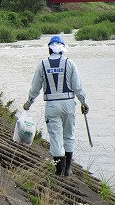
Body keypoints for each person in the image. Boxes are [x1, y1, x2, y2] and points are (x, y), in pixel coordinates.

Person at [23, 35, 89, 177]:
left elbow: (35, 87)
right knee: (69, 136)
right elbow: (78, 87)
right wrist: (83, 102)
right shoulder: (70, 63)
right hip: (68, 104)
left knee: (56, 138)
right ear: (62, 50)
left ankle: (59, 171)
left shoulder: (42, 64)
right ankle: (67, 170)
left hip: (52, 105)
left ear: (49, 49)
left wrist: (29, 101)